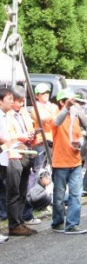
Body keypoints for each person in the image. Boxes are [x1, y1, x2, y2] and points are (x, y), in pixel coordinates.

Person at [50, 88, 87, 234]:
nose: (73, 104)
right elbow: (56, 123)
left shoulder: (75, 118)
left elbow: (80, 136)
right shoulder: (56, 116)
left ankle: (71, 224)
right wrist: (66, 108)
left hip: (75, 162)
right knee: (59, 196)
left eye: (74, 101)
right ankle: (57, 223)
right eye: (70, 101)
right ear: (61, 102)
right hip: (60, 163)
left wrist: (80, 143)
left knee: (76, 195)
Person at [5, 87, 39, 236]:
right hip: (13, 154)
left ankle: (20, 221)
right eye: (18, 101)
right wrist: (21, 137)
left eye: (22, 100)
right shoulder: (6, 116)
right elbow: (7, 136)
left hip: (27, 152)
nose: (20, 104)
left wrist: (31, 134)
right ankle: (13, 224)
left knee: (23, 190)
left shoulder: (24, 112)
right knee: (13, 191)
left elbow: (29, 128)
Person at [0, 87, 16, 243]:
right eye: (9, 99)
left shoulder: (6, 116)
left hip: (4, 158)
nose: (12, 102)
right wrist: (7, 141)